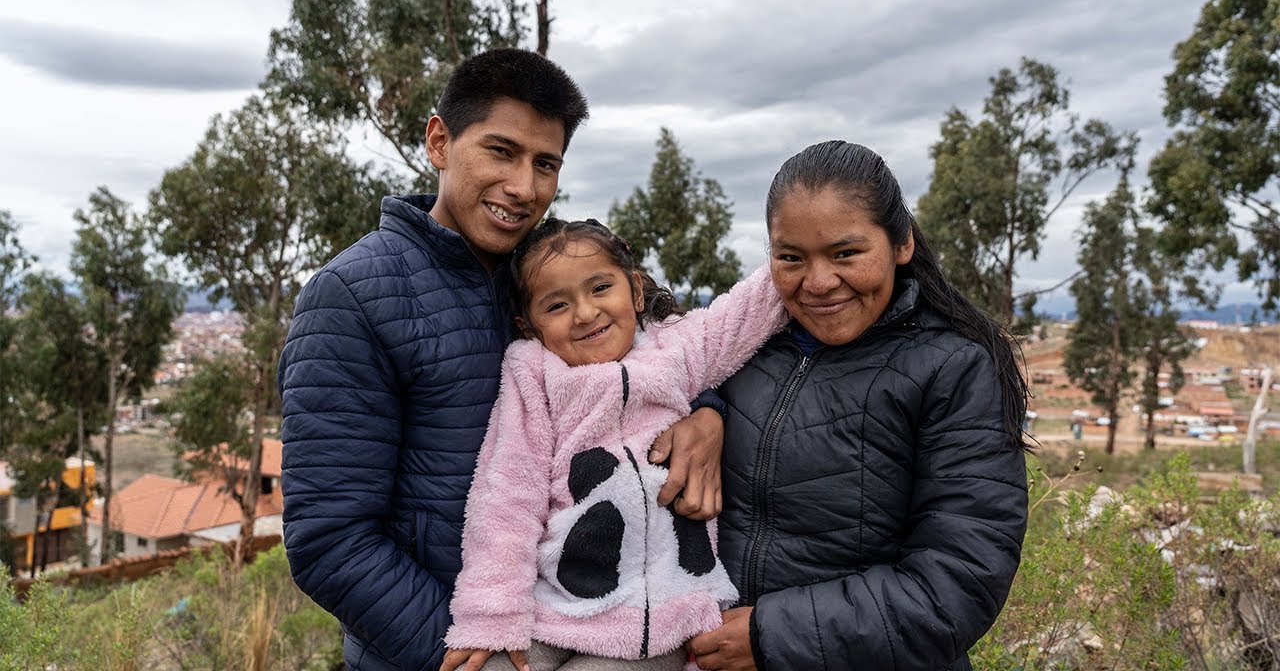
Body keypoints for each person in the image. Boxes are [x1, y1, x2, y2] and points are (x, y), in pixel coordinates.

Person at [278, 49, 726, 671]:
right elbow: (330, 540)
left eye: (545, 164)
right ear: (440, 141)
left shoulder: (555, 273)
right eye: (501, 151)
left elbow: (665, 344)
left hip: (589, 627)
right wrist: (476, 652)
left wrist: (708, 414)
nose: (524, 188)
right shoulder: (352, 296)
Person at [688, 141, 1030, 671]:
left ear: (901, 244)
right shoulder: (742, 349)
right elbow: (645, 357)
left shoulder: (952, 368)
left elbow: (958, 584)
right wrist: (706, 407)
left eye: (846, 254)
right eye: (791, 258)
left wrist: (770, 636)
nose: (819, 283)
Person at [441, 219, 788, 671]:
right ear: (529, 327)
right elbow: (506, 498)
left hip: (660, 621)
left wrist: (801, 252)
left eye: (601, 287)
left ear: (636, 292)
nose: (585, 313)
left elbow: (748, 311)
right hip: (556, 610)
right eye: (558, 304)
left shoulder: (676, 350)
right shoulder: (534, 377)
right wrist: (491, 615)